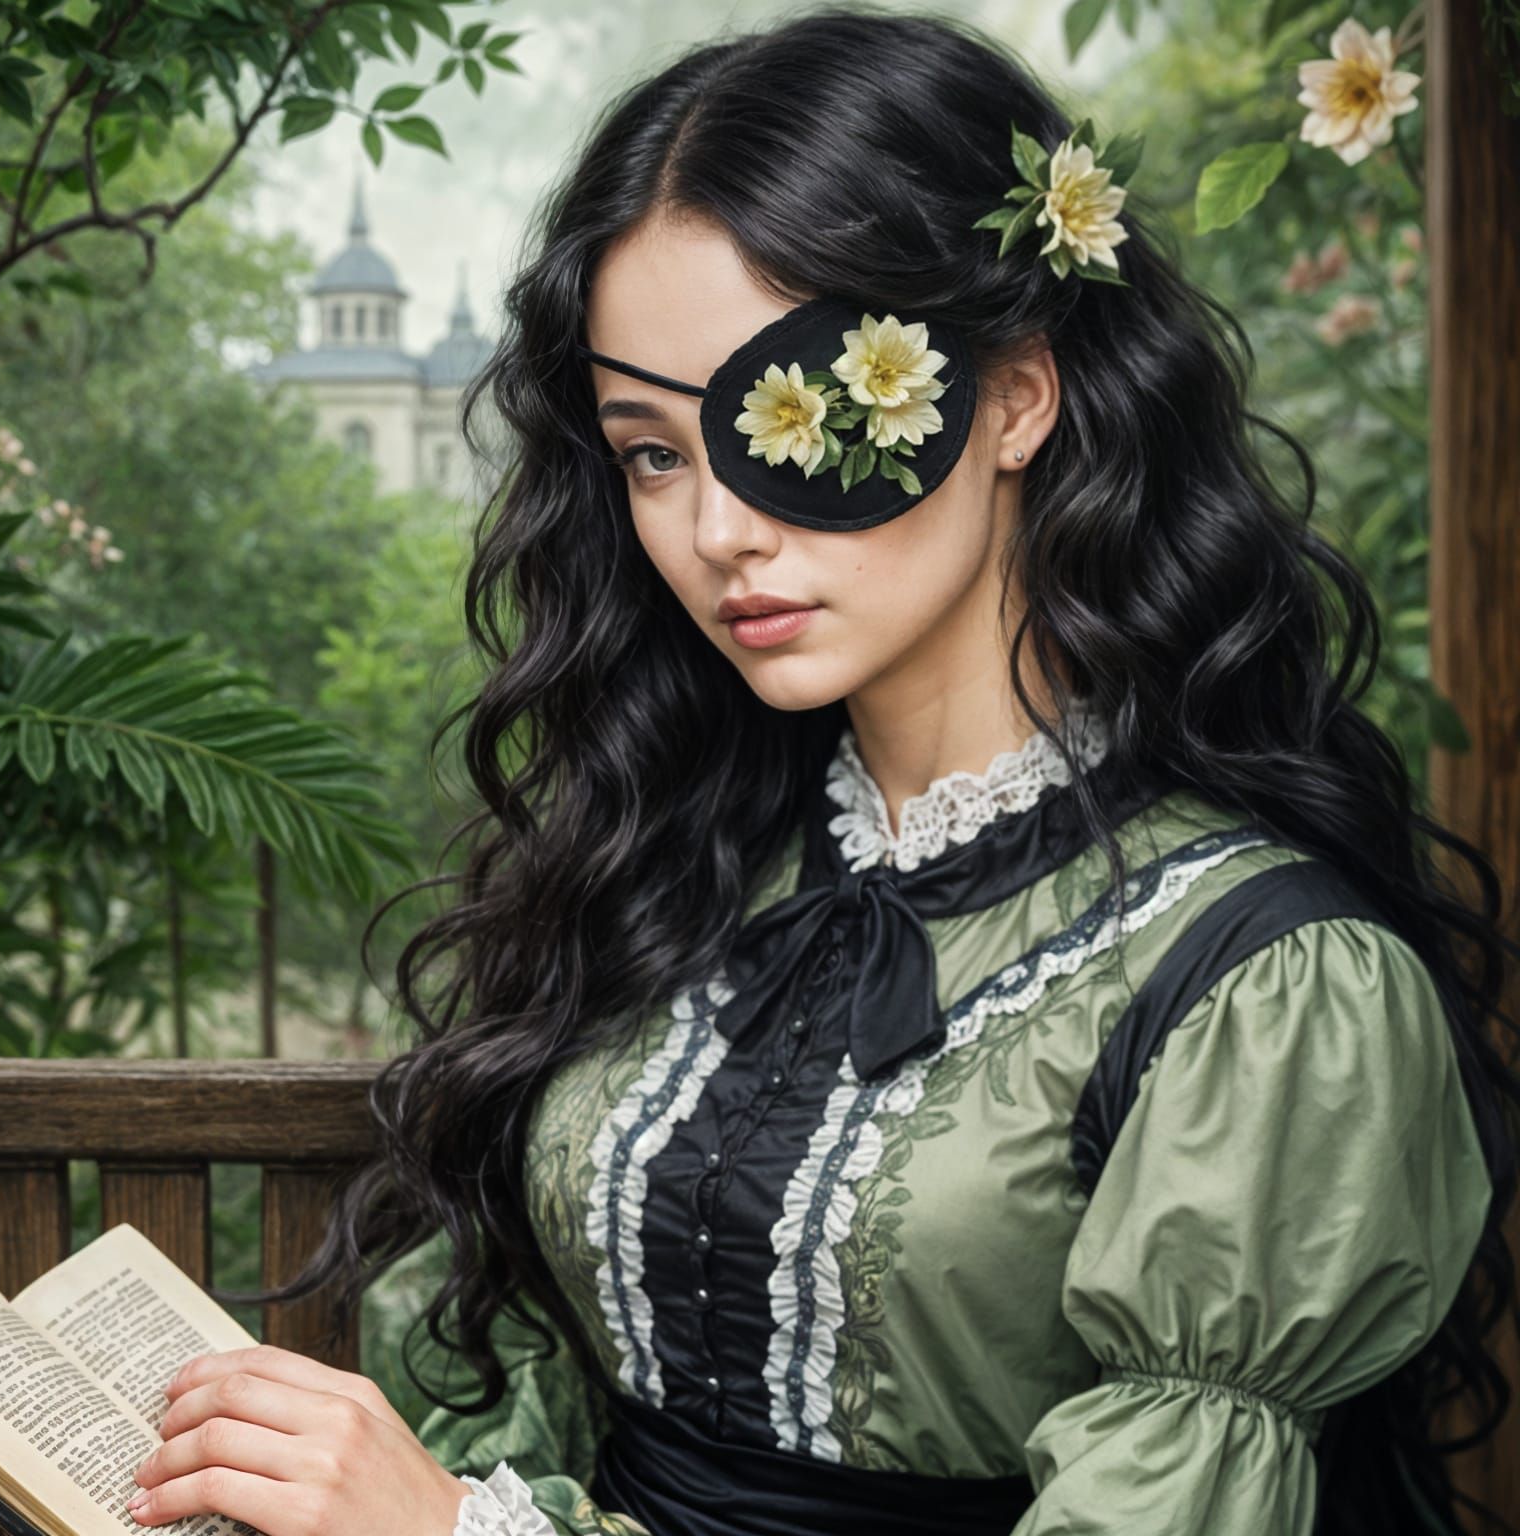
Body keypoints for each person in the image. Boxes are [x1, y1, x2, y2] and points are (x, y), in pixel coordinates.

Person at [123, 8, 1520, 1536]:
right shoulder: (689, 862)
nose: (717, 529)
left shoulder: (1263, 984)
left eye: (791, 415)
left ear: (1013, 397)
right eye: (652, 450)